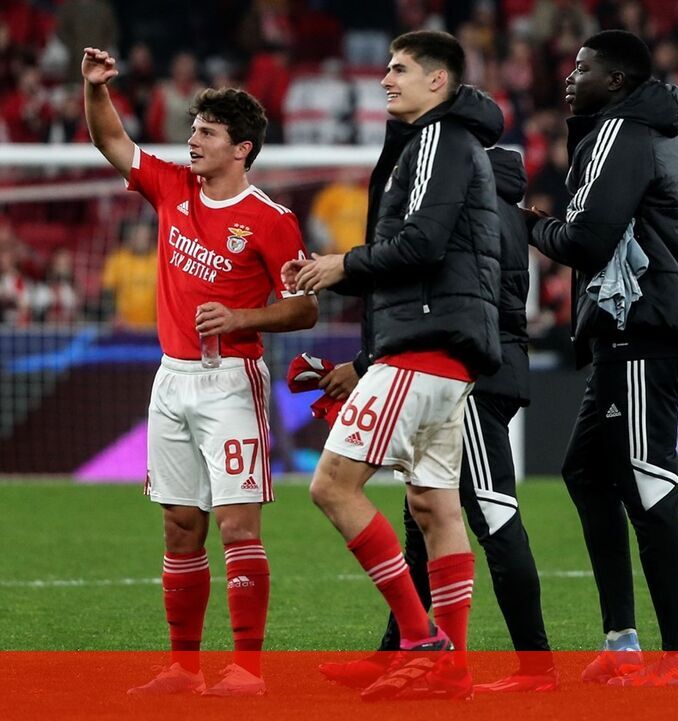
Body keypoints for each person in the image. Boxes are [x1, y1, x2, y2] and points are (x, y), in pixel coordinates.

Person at [82, 47, 319, 696]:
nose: (192, 141)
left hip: (231, 381)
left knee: (238, 525)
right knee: (180, 525)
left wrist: (243, 316)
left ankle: (247, 669)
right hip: (170, 379)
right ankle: (184, 668)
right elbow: (110, 141)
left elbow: (304, 307)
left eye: (207, 133)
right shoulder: (171, 186)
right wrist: (95, 88)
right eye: (194, 129)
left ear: (241, 149)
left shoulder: (271, 220)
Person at [284, 30, 503, 701]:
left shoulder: (436, 138)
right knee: (434, 505)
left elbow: (421, 244)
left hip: (422, 345)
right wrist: (344, 284)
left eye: (399, 68)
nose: (385, 79)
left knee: (333, 486)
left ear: (438, 81)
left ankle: (421, 638)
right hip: (449, 355)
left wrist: (342, 264)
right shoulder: (452, 142)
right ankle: (452, 665)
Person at [315, 147, 556, 694]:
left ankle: (534, 667)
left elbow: (449, 302)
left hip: (474, 378)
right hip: (483, 368)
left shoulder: (475, 218)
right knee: (423, 515)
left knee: (492, 515)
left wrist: (365, 363)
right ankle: (399, 652)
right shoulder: (505, 216)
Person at [525, 29, 678, 686]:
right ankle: (622, 641)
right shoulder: (650, 130)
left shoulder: (620, 131)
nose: (569, 77)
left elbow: (587, 239)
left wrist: (528, 223)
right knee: (586, 471)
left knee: (646, 476)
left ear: (616, 80)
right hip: (640, 325)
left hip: (644, 323)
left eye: (582, 68)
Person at [101, 219, 158, 330]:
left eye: (144, 236)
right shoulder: (118, 259)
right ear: (130, 237)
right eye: (137, 235)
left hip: (154, 326)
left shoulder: (159, 258)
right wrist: (113, 315)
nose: (141, 240)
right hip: (123, 325)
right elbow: (107, 291)